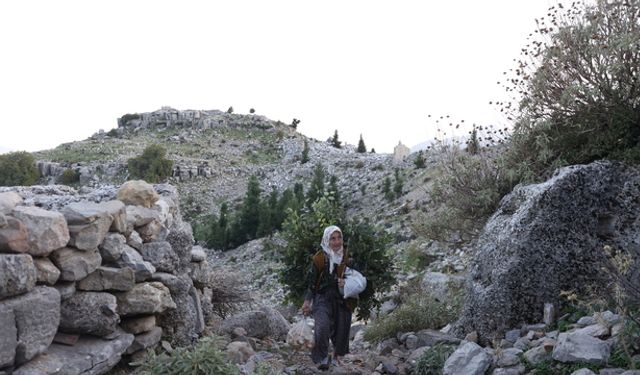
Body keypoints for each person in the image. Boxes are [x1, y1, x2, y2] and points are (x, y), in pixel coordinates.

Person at [301, 225, 358, 370]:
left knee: (342, 328)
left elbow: (356, 278)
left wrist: (346, 282)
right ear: (327, 240)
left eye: (339, 238)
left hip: (342, 298)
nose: (337, 242)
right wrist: (307, 301)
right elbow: (312, 283)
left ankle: (337, 356)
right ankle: (320, 358)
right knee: (322, 327)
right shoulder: (319, 258)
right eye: (333, 238)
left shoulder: (347, 257)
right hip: (322, 298)